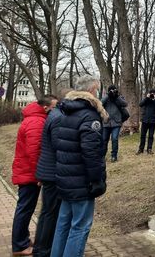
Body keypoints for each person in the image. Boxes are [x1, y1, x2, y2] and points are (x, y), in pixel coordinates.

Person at [50, 75, 107, 257]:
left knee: (63, 224)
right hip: (81, 182)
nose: (98, 93)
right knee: (80, 227)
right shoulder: (89, 115)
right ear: (91, 91)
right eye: (97, 89)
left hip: (65, 178)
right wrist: (96, 180)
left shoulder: (66, 112)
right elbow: (91, 153)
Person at [11, 95, 58, 257]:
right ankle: (19, 246)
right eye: (54, 106)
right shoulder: (37, 122)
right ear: (46, 107)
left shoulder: (35, 118)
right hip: (29, 174)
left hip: (26, 171)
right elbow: (35, 151)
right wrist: (40, 175)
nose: (56, 109)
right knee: (25, 208)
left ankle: (22, 240)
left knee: (25, 208)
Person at [33, 92, 66, 257]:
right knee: (50, 213)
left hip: (47, 171)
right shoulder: (58, 117)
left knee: (47, 212)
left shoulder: (53, 115)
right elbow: (57, 146)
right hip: (52, 172)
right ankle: (44, 250)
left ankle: (40, 248)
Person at [101, 85, 130, 162]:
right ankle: (102, 156)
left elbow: (125, 104)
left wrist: (116, 96)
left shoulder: (119, 97)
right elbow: (100, 103)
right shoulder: (106, 97)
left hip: (116, 122)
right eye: (111, 90)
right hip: (106, 122)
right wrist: (108, 95)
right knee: (104, 140)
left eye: (114, 90)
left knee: (114, 139)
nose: (113, 92)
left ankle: (114, 156)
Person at [137, 88, 155, 155]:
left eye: (154, 94)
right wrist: (146, 98)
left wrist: (154, 100)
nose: (152, 95)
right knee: (142, 135)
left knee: (151, 135)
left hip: (152, 121)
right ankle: (141, 149)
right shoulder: (146, 99)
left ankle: (149, 149)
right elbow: (140, 104)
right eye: (151, 93)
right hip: (145, 120)